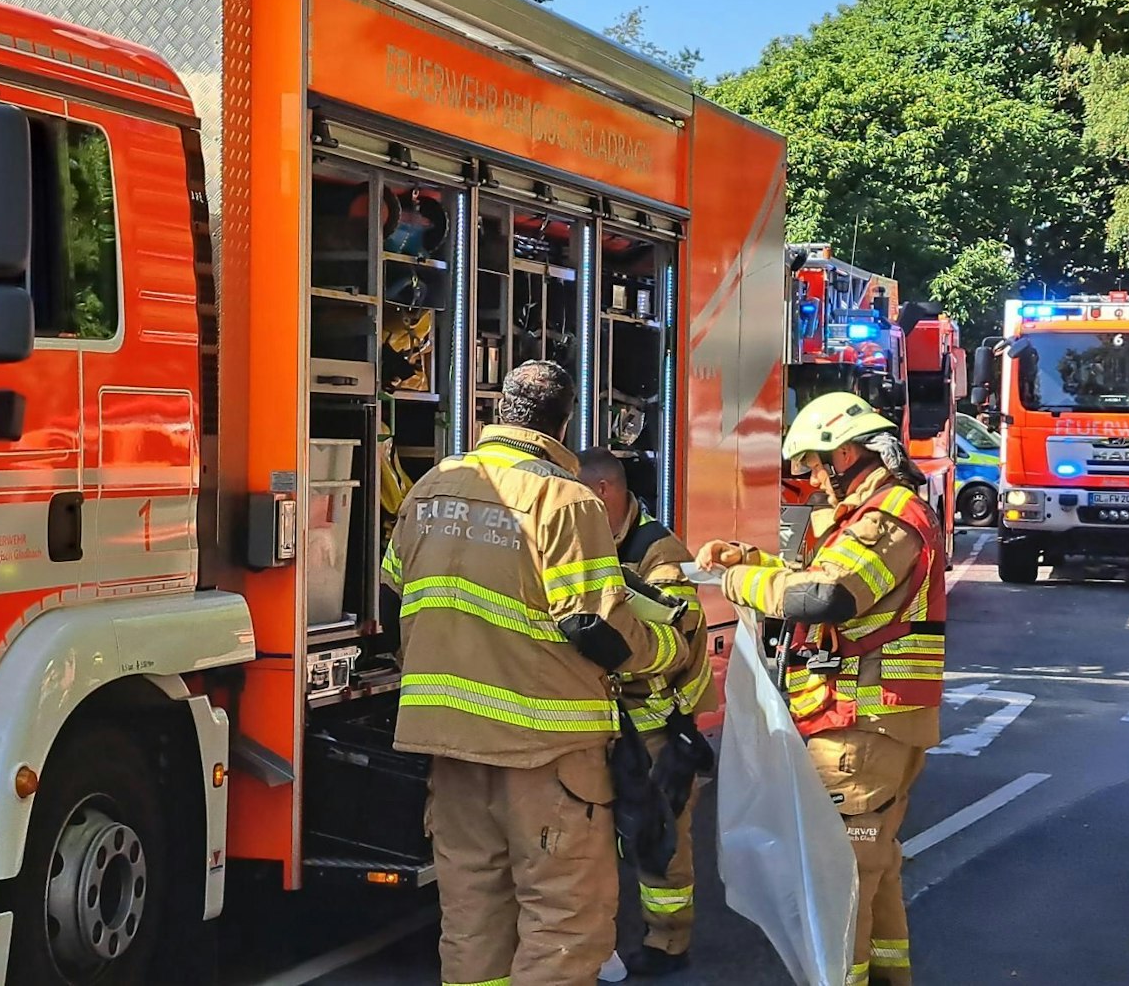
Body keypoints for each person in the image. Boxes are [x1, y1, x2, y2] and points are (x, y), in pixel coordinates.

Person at [384, 360, 695, 986]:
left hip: (450, 745)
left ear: (500, 411)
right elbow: (595, 625)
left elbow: (397, 581)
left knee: (473, 920)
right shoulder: (565, 499)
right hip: (544, 750)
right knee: (564, 924)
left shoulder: (432, 487)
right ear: (564, 424)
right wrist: (671, 649)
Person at [696, 391, 947, 986]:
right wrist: (748, 559)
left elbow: (828, 595)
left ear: (847, 453)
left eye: (814, 464)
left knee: (841, 877)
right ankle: (888, 975)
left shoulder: (888, 518)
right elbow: (815, 578)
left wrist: (737, 582)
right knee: (873, 867)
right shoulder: (868, 516)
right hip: (870, 724)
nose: (811, 480)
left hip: (860, 725)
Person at [576, 448, 714, 980]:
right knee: (592, 837)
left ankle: (668, 940)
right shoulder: (588, 542)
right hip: (603, 721)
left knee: (660, 838)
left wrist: (612, 646)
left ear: (604, 492)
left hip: (656, 725)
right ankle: (602, 941)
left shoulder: (659, 553)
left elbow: (676, 643)